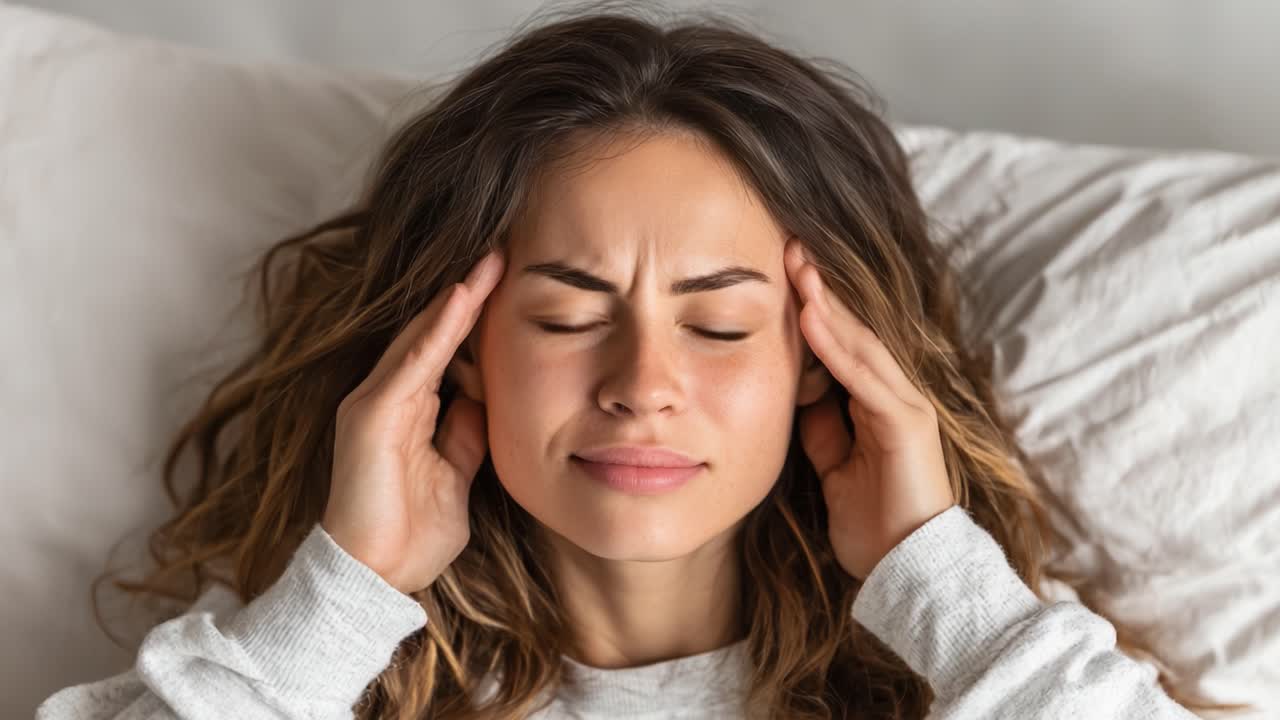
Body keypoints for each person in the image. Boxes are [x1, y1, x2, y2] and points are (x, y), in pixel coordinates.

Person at [35, 2, 1254, 719]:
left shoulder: (985, 676)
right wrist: (345, 587)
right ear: (455, 356)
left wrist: (938, 580)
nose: (640, 381)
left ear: (822, 368)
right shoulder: (288, 678)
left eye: (718, 322)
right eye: (567, 315)